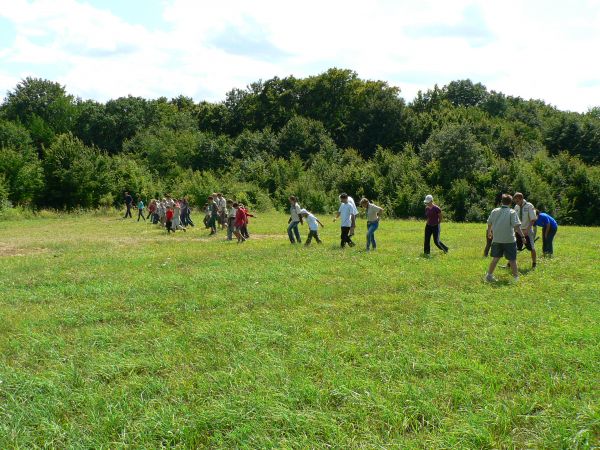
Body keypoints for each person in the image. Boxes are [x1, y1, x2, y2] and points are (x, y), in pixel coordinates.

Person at [485, 194, 527, 282]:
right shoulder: (512, 212)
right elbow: (516, 227)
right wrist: (522, 236)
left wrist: (489, 232)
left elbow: (489, 223)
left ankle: (489, 276)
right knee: (512, 259)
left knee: (495, 259)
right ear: (511, 202)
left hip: (497, 239)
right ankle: (516, 278)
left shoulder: (494, 211)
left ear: (501, 202)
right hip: (509, 240)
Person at [513, 192, 537, 268]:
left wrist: (527, 230)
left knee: (531, 248)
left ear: (522, 199)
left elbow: (533, 219)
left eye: (517, 201)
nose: (516, 203)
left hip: (527, 230)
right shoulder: (516, 207)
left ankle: (534, 264)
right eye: (515, 201)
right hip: (518, 230)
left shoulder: (529, 206)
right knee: (515, 247)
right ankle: (510, 264)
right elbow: (515, 219)